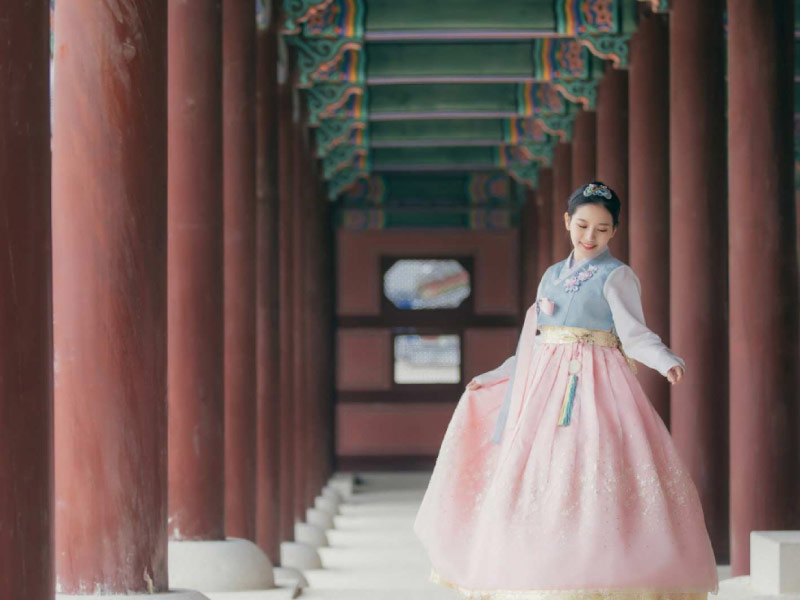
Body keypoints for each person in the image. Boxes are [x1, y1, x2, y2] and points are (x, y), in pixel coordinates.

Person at [413, 181, 718, 600]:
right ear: (567, 222)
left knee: (593, 463)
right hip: (545, 384)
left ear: (614, 231)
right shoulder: (551, 276)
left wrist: (665, 359)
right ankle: (542, 567)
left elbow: (634, 334)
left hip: (596, 382)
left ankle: (602, 566)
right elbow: (534, 342)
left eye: (602, 229)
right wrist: (496, 375)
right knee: (540, 470)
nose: (590, 236)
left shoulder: (617, 275)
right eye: (582, 225)